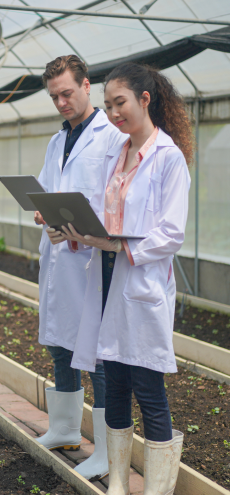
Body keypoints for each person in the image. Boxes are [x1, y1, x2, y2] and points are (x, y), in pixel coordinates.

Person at [61, 62, 193, 494]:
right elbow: (105, 215)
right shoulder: (116, 156)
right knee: (114, 386)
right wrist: (78, 232)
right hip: (107, 280)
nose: (114, 114)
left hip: (140, 284)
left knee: (148, 389)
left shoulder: (167, 157)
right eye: (109, 106)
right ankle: (117, 483)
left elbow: (171, 232)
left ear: (145, 100)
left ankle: (156, 490)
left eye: (120, 103)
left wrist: (120, 247)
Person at [35, 55, 126, 480]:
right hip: (59, 254)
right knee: (61, 346)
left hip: (93, 260)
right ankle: (65, 428)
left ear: (87, 86)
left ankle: (108, 453)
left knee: (100, 356)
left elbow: (114, 201)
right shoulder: (59, 140)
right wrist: (43, 212)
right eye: (54, 96)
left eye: (67, 93)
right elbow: (50, 190)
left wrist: (74, 224)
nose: (61, 102)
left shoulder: (111, 137)